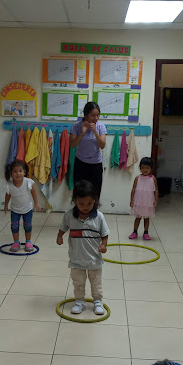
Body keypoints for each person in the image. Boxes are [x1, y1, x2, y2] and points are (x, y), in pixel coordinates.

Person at [56, 180, 109, 315]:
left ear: (95, 201)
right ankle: (79, 301)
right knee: (78, 282)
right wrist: (60, 236)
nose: (85, 207)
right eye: (81, 204)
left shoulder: (99, 217)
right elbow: (63, 228)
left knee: (96, 282)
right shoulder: (69, 215)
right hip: (76, 259)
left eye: (89, 204)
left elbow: (105, 234)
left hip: (94, 259)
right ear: (75, 201)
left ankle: (97, 301)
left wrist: (103, 245)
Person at [70, 102, 107, 197]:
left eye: (98, 115)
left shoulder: (101, 126)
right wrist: (82, 132)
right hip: (80, 163)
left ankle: (94, 207)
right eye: (93, 115)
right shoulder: (76, 126)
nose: (96, 118)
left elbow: (102, 145)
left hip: (96, 165)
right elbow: (72, 144)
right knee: (79, 193)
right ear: (86, 115)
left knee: (95, 192)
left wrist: (95, 131)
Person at [4, 159, 41, 252]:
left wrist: (36, 203)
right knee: (14, 226)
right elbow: (8, 195)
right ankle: (16, 242)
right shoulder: (9, 185)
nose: (18, 174)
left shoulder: (28, 182)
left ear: (24, 172)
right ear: (11, 173)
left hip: (27, 209)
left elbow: (33, 192)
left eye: (20, 171)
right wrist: (6, 205)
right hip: (15, 210)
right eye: (15, 171)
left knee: (28, 225)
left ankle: (28, 241)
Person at [129, 157, 158, 240]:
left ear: (151, 168)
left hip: (148, 202)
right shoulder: (137, 178)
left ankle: (146, 232)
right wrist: (131, 200)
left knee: (146, 218)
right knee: (138, 217)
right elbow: (133, 190)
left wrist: (156, 200)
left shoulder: (153, 179)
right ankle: (135, 231)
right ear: (140, 168)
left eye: (147, 168)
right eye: (143, 168)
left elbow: (156, 190)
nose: (145, 170)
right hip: (139, 201)